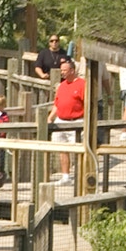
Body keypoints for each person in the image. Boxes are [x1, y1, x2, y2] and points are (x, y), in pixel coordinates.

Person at [46, 58, 86, 186]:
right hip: (61, 121)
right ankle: (65, 176)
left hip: (76, 122)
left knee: (79, 150)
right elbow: (57, 104)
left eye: (64, 70)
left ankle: (82, 175)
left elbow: (88, 104)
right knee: (62, 149)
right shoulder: (62, 86)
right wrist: (50, 117)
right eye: (61, 70)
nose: (62, 73)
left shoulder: (82, 84)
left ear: (72, 70)